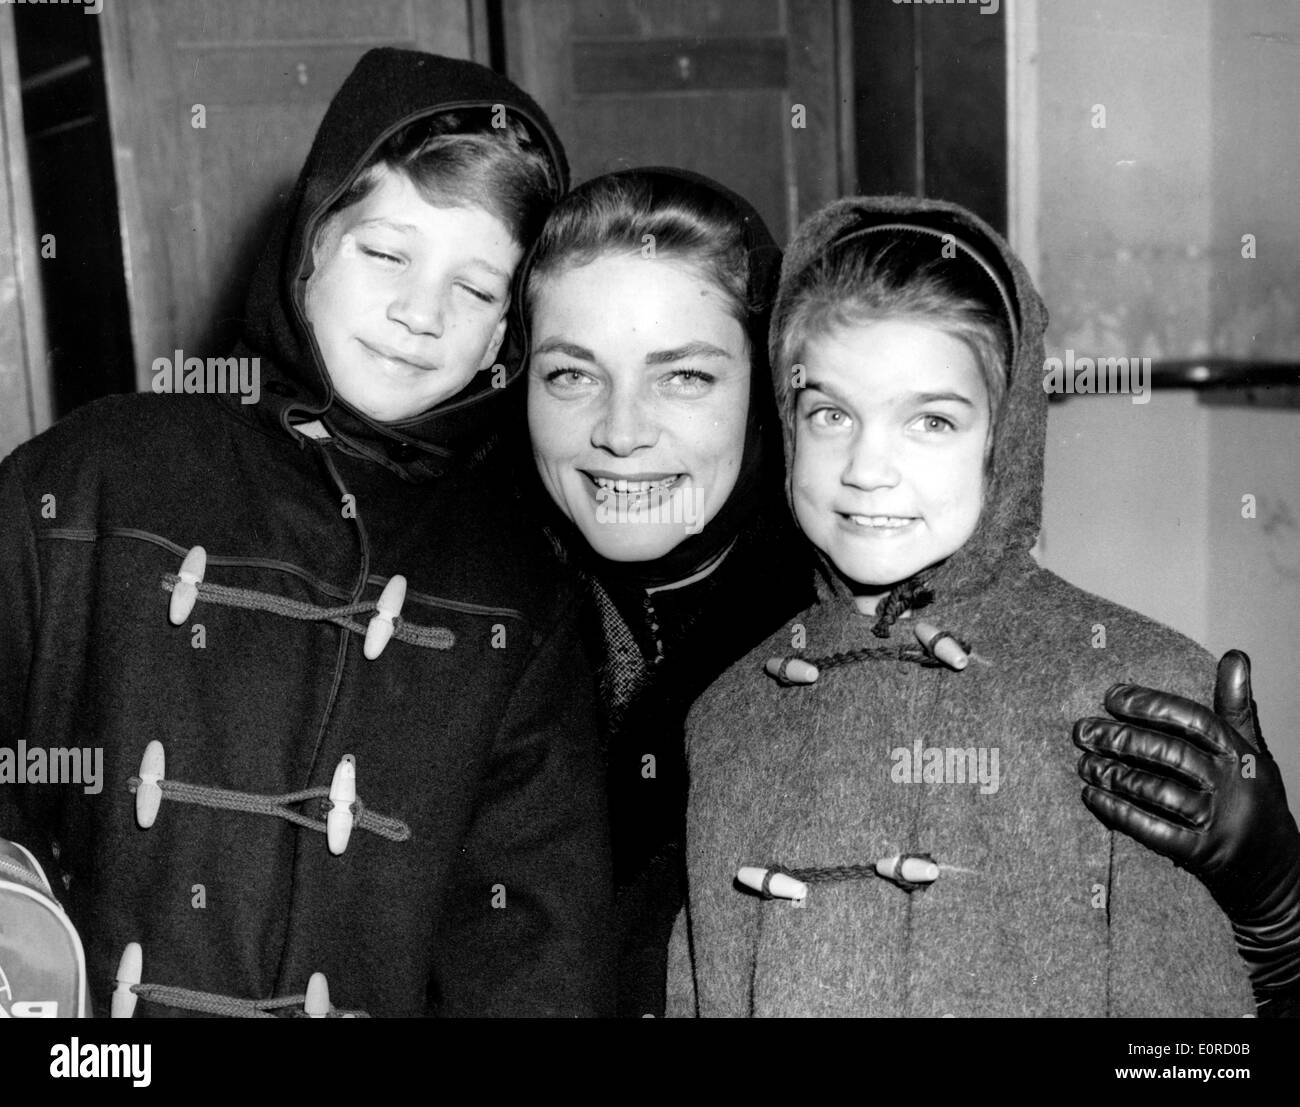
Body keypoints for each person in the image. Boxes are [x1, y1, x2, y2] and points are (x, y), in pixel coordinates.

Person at [0, 47, 613, 1017]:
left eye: (476, 288)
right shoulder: (102, 473)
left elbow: (534, 955)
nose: (420, 312)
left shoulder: (518, 587)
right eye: (387, 253)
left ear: (507, 333)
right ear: (312, 239)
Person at [664, 194, 1292, 1016]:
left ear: (1008, 439)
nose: (866, 468)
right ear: (786, 425)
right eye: (830, 414)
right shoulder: (728, 719)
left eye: (930, 419)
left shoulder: (1134, 694)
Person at [517, 168, 815, 1016]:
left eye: (684, 376)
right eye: (572, 374)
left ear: (767, 387)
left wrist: (1229, 894)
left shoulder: (854, 620)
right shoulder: (465, 612)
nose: (620, 431)